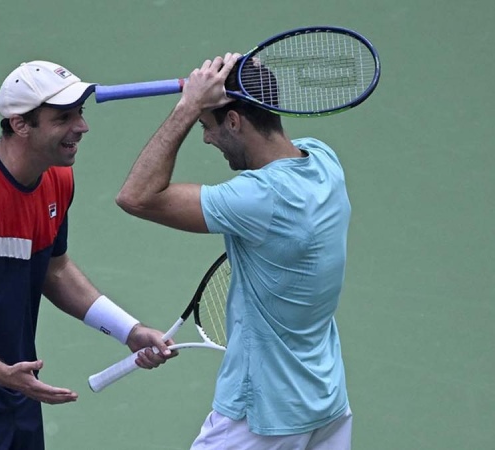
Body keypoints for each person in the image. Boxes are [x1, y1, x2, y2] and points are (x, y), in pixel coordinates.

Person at [0, 60, 175, 450]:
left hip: (17, 383)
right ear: (20, 124)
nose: (81, 126)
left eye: (80, 113)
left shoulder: (56, 177)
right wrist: (4, 374)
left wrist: (129, 330)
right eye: (63, 117)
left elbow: (55, 271)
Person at [116, 53, 353, 449]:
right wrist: (246, 75)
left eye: (207, 127)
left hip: (261, 417)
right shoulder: (324, 161)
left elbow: (135, 197)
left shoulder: (260, 198)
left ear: (234, 121)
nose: (206, 137)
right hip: (325, 403)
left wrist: (189, 105)